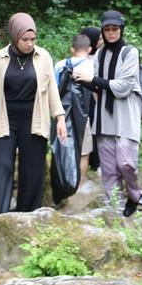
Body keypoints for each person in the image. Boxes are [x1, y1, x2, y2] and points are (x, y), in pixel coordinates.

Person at [0, 13, 67, 215]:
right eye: (25, 40)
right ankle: (0, 217)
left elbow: (52, 89)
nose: (29, 44)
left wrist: (60, 118)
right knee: (2, 168)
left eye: (33, 39)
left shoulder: (43, 56)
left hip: (34, 121)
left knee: (32, 172)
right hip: (5, 120)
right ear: (14, 37)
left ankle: (28, 217)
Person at [73, 11, 142, 216]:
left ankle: (134, 194)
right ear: (102, 31)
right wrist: (83, 81)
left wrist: (92, 80)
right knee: (109, 170)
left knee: (126, 164)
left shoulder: (130, 52)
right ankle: (114, 210)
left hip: (126, 117)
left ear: (121, 30)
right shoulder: (100, 54)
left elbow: (122, 88)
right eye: (107, 29)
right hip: (104, 117)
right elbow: (99, 87)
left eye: (115, 29)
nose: (111, 33)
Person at [55, 33, 95, 179]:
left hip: (61, 116)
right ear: (89, 49)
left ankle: (62, 182)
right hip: (83, 116)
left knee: (63, 149)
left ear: (72, 49)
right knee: (83, 152)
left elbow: (54, 91)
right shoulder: (91, 66)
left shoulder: (59, 65)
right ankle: (78, 186)